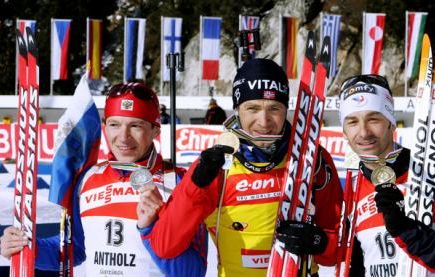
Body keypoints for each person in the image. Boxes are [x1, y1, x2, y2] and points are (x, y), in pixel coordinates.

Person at [137, 58, 344, 275]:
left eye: (274, 108)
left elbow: (337, 252)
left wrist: (319, 242)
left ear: (286, 109)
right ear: (237, 110)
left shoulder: (313, 159)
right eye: (252, 108)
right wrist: (195, 186)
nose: (263, 121)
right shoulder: (218, 164)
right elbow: (165, 246)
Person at [0, 83, 206, 276]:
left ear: (155, 130)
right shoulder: (88, 179)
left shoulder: (179, 182)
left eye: (135, 126)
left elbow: (192, 272)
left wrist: (151, 229)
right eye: (115, 124)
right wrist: (26, 248)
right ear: (105, 126)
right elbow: (74, 249)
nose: (123, 137)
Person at [338, 74, 435, 276]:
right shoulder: (350, 191)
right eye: (352, 122)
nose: (364, 132)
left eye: (374, 119)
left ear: (391, 123)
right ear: (344, 131)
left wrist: (406, 229)